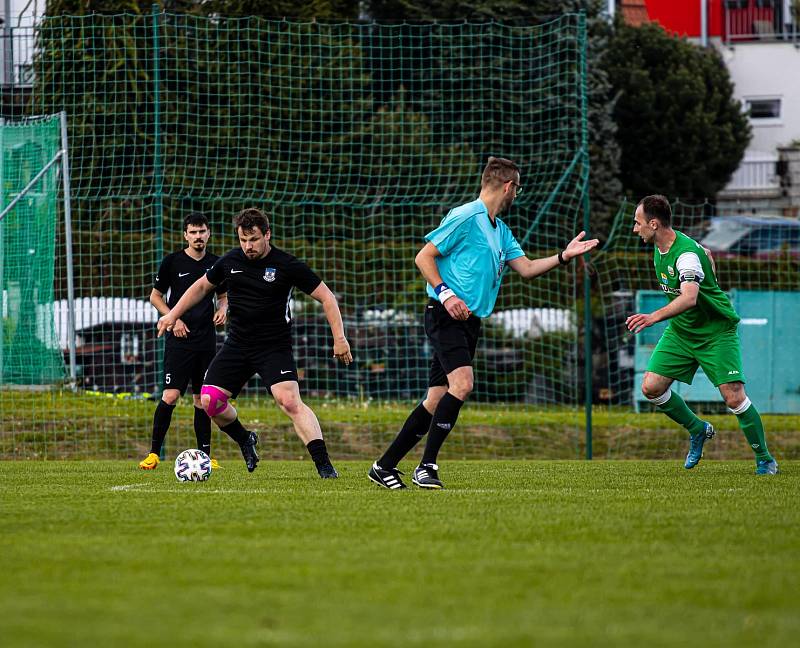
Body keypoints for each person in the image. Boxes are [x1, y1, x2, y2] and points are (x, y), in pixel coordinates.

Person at [368, 156, 599, 490]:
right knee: (462, 385)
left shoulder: (500, 230)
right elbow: (423, 256)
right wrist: (446, 294)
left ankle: (384, 465)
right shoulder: (466, 215)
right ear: (508, 186)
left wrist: (565, 255)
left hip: (469, 322)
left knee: (436, 399)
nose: (516, 196)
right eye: (517, 189)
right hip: (444, 314)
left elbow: (528, 268)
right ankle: (426, 466)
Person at [156, 208, 352, 478]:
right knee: (210, 401)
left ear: (267, 235)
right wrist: (172, 314)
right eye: (243, 240)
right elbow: (201, 287)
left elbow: (327, 298)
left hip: (273, 346)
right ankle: (245, 439)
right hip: (237, 345)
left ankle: (324, 466)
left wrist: (339, 338)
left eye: (254, 239)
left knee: (289, 402)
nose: (248, 246)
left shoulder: (287, 264)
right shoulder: (229, 261)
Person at [626, 194, 778, 475]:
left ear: (654, 224)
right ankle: (698, 429)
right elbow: (706, 255)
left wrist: (652, 317)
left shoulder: (685, 256)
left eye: (638, 223)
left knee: (734, 397)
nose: (635, 229)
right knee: (651, 387)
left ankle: (765, 459)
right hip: (683, 332)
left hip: (715, 332)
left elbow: (689, 298)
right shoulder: (665, 246)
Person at [139, 212, 227, 470]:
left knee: (203, 399)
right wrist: (173, 319)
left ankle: (205, 457)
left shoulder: (216, 263)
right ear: (185, 235)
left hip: (206, 340)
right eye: (193, 232)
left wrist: (223, 309)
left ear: (208, 233)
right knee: (171, 395)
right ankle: (154, 454)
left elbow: (223, 296)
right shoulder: (172, 262)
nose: (198, 237)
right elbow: (155, 297)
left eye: (202, 232)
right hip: (178, 339)